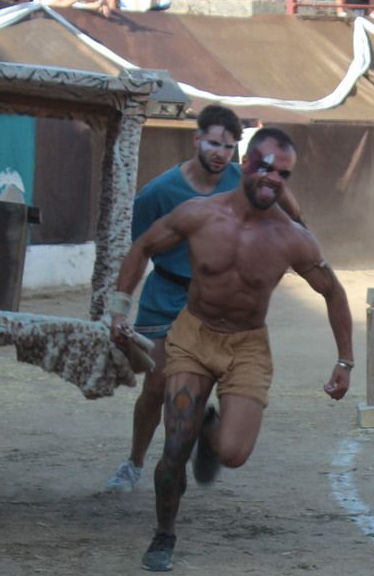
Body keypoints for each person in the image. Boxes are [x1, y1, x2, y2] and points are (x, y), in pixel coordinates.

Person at [106, 128, 353, 572]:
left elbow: (333, 293)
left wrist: (344, 361)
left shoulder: (292, 238)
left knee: (233, 455)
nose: (272, 178)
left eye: (283, 173)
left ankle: (211, 428)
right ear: (244, 165)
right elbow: (144, 246)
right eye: (263, 167)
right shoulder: (201, 215)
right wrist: (119, 308)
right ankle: (164, 534)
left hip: (247, 347)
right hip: (194, 335)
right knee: (175, 446)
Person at [104, 105, 303, 494]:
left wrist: (299, 237)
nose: (220, 153)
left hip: (217, 299)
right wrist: (119, 305)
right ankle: (134, 462)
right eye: (213, 143)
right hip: (167, 296)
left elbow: (289, 207)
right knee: (158, 387)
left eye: (229, 147)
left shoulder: (243, 177)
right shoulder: (159, 193)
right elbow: (138, 248)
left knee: (199, 388)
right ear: (197, 140)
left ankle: (200, 441)